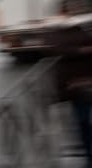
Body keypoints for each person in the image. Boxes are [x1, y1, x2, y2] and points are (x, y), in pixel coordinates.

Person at [51, 21, 92, 168]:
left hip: (79, 87)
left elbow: (61, 51)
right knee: (84, 123)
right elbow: (63, 51)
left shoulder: (62, 37)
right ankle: (89, 158)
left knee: (84, 124)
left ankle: (89, 158)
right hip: (79, 88)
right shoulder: (64, 36)